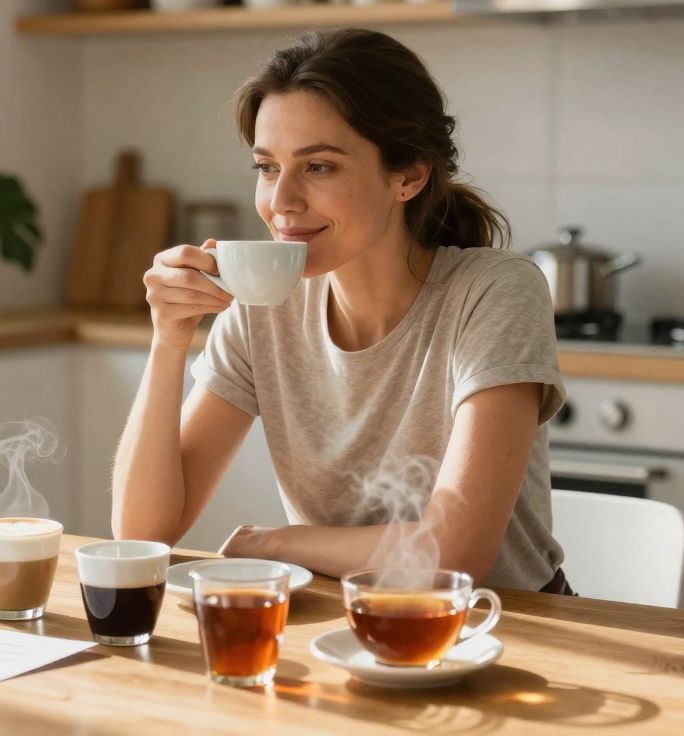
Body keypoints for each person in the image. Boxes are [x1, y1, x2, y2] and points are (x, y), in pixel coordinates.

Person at [111, 28, 572, 594]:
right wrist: (169, 342)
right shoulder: (266, 310)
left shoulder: (494, 293)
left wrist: (275, 544)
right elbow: (141, 533)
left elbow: (452, 558)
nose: (280, 203)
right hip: (344, 616)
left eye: (319, 167)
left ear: (408, 176)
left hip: (506, 627)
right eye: (267, 167)